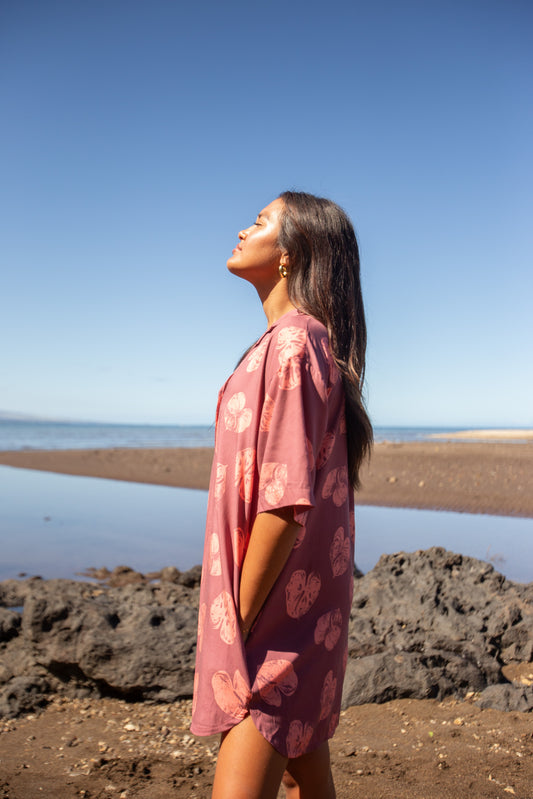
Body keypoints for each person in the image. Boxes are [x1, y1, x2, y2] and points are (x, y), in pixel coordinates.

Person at [191, 191, 372, 799]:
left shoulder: (295, 345)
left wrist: (234, 622)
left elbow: (283, 502)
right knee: (307, 773)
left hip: (275, 620)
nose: (243, 229)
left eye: (260, 222)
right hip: (299, 607)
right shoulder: (296, 343)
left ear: (291, 254)